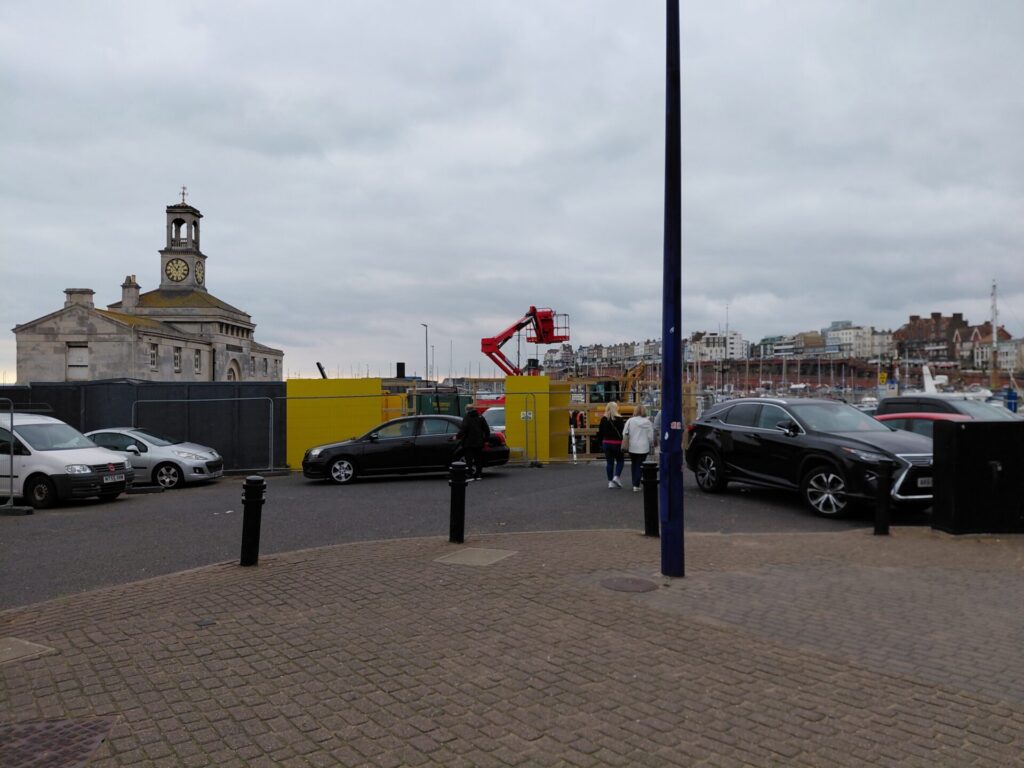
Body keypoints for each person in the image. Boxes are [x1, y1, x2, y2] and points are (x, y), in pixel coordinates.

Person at [622, 403, 655, 492]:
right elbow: (650, 437)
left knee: (634, 464)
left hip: (632, 446)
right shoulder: (648, 422)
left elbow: (624, 432)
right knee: (640, 465)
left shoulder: (630, 421)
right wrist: (651, 443)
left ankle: (634, 483)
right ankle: (636, 484)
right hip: (644, 447)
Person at [596, 401, 626, 488]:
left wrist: (600, 443)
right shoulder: (620, 419)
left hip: (606, 443)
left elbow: (600, 432)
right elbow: (623, 432)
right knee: (620, 461)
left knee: (609, 463)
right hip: (617, 443)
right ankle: (616, 477)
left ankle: (610, 482)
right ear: (616, 408)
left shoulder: (603, 419)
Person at [457, 405, 490, 480]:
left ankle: (470, 475)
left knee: (469, 460)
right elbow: (487, 430)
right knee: (478, 459)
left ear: (467, 410)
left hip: (469, 443)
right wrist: (486, 440)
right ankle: (478, 475)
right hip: (479, 443)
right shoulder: (480, 417)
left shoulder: (467, 418)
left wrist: (457, 436)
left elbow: (464, 429)